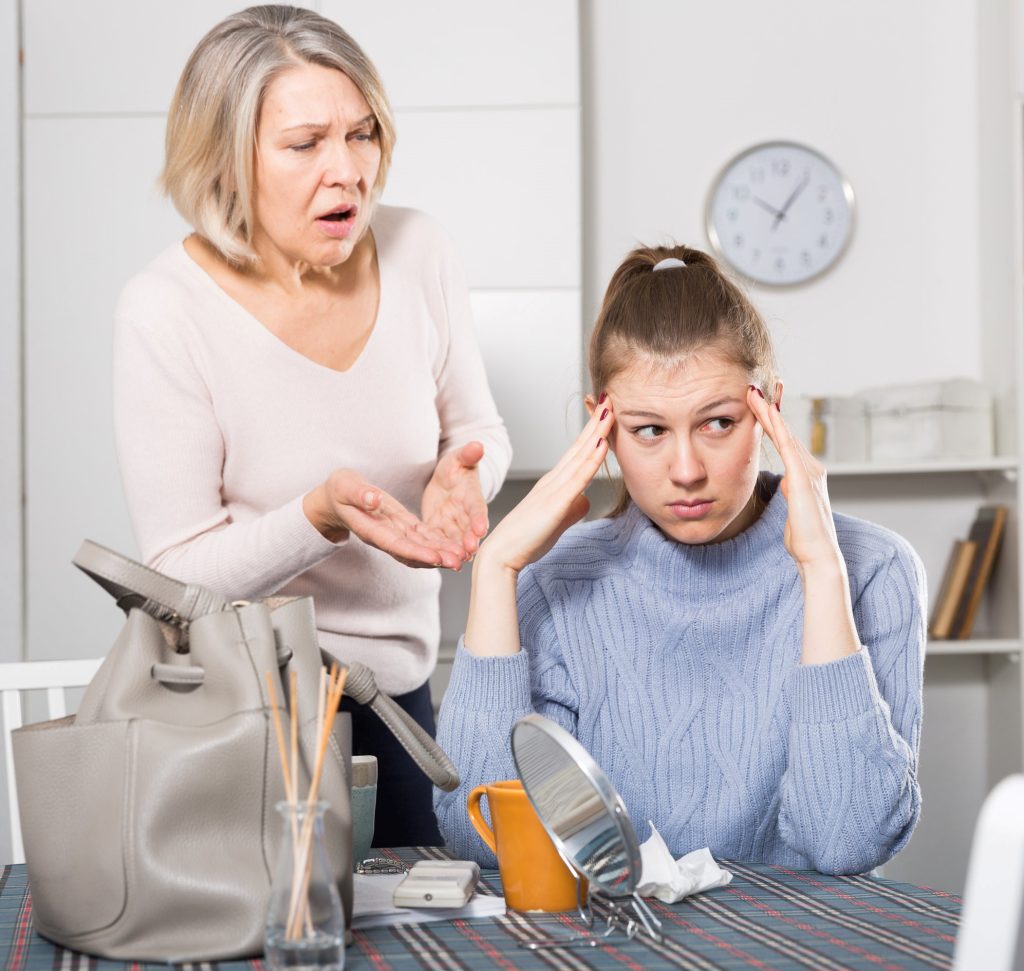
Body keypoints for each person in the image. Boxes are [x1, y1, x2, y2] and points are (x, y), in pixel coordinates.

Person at [113, 5, 511, 846]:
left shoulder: (419, 249)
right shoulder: (165, 310)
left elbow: (477, 426)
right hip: (250, 714)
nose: (349, 173)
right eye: (305, 145)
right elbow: (176, 577)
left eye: (362, 135)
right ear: (227, 159)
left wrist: (462, 475)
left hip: (401, 698)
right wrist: (317, 518)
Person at [435, 245, 925, 875]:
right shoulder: (553, 582)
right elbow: (484, 844)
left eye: (718, 422)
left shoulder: (875, 570)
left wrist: (822, 570)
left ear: (769, 410)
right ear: (602, 428)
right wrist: (497, 566)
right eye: (648, 431)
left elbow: (845, 843)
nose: (688, 471)